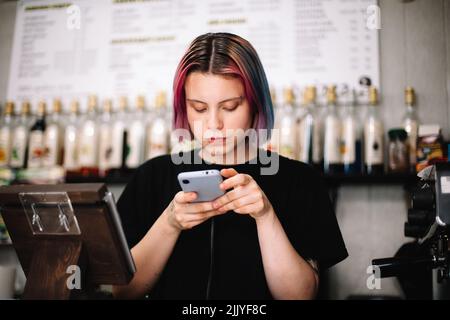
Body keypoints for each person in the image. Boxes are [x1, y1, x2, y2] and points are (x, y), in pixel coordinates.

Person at [112, 32, 348, 300]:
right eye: (199, 108)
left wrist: (266, 216)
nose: (214, 124)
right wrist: (170, 224)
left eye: (231, 106)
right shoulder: (151, 177)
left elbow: (299, 297)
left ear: (255, 103)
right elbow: (122, 292)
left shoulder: (300, 181)